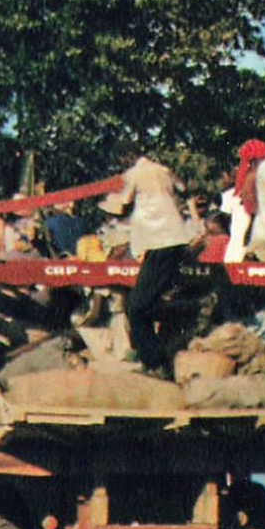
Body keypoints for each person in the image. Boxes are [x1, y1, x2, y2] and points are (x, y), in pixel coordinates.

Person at [101, 143, 191, 378]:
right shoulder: (162, 170)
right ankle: (156, 356)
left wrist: (106, 200)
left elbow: (120, 205)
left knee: (136, 307)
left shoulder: (133, 175)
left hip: (160, 242)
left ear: (127, 158)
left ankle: (155, 363)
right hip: (172, 239)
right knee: (145, 304)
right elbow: (183, 187)